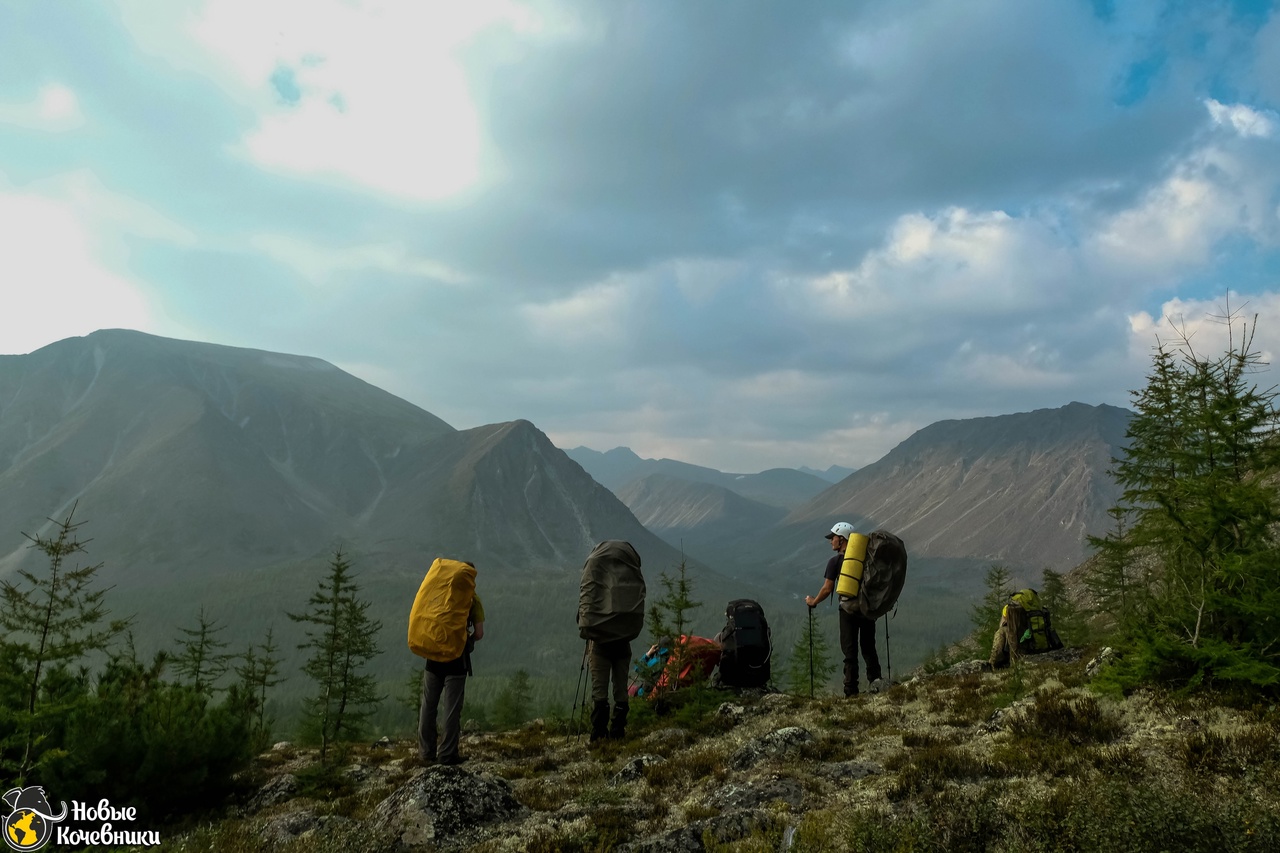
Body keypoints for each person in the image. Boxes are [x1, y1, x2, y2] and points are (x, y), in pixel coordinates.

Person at [805, 522, 883, 696]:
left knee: (850, 652)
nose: (830, 541)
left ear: (842, 539)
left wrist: (814, 601)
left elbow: (827, 588)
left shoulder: (835, 561)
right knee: (869, 648)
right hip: (867, 610)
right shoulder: (866, 558)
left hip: (848, 611)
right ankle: (876, 683)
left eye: (832, 538)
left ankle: (851, 691)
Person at [418, 572, 485, 765]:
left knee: (428, 706)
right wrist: (467, 641)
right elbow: (479, 633)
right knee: (451, 709)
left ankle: (426, 754)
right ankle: (447, 755)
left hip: (433, 659)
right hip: (456, 661)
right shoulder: (473, 599)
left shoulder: (439, 593)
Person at [587, 637, 631, 742]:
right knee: (621, 692)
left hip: (599, 648)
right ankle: (618, 732)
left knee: (599, 693)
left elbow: (582, 621)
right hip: (623, 646)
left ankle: (599, 735)